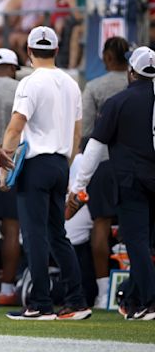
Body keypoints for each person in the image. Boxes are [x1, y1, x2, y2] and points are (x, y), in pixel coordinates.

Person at [1, 26, 91, 320]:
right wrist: (66, 163)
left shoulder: (29, 82)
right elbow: (77, 132)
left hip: (37, 163)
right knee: (57, 235)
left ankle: (40, 303)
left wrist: (3, 157)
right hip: (59, 163)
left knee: (35, 235)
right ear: (55, 50)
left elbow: (16, 126)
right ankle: (77, 300)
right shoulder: (71, 83)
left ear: (29, 52)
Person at [70, 46, 155, 320]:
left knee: (136, 241)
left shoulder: (118, 102)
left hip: (132, 181)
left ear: (132, 71)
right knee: (145, 243)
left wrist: (79, 185)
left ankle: (147, 301)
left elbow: (94, 148)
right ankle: (132, 297)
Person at [80, 36, 129, 309]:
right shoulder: (141, 86)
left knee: (100, 223)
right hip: (136, 165)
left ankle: (102, 292)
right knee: (138, 227)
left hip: (103, 163)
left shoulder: (96, 86)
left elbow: (86, 130)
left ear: (107, 58)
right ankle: (139, 285)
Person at [0, 48, 21, 305]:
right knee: (11, 229)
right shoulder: (19, 88)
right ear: (12, 67)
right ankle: (7, 289)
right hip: (9, 165)